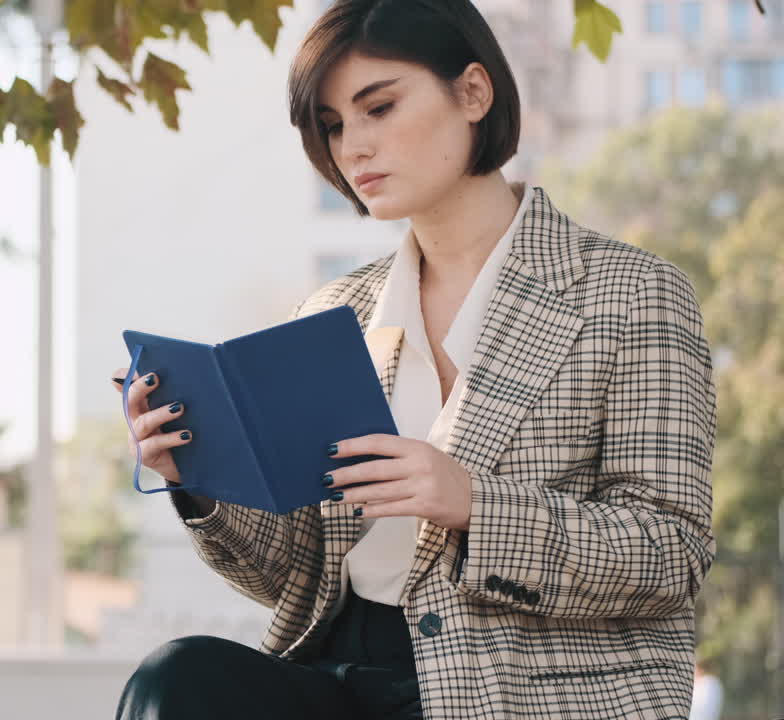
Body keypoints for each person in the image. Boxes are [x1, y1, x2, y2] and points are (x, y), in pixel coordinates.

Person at [110, 1, 717, 718]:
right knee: (177, 681)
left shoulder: (631, 293)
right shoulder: (338, 313)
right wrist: (196, 481)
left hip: (519, 688)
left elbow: (670, 553)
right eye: (334, 125)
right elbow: (298, 574)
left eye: (380, 107)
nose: (353, 147)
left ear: (473, 93)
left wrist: (471, 504)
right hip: (339, 668)